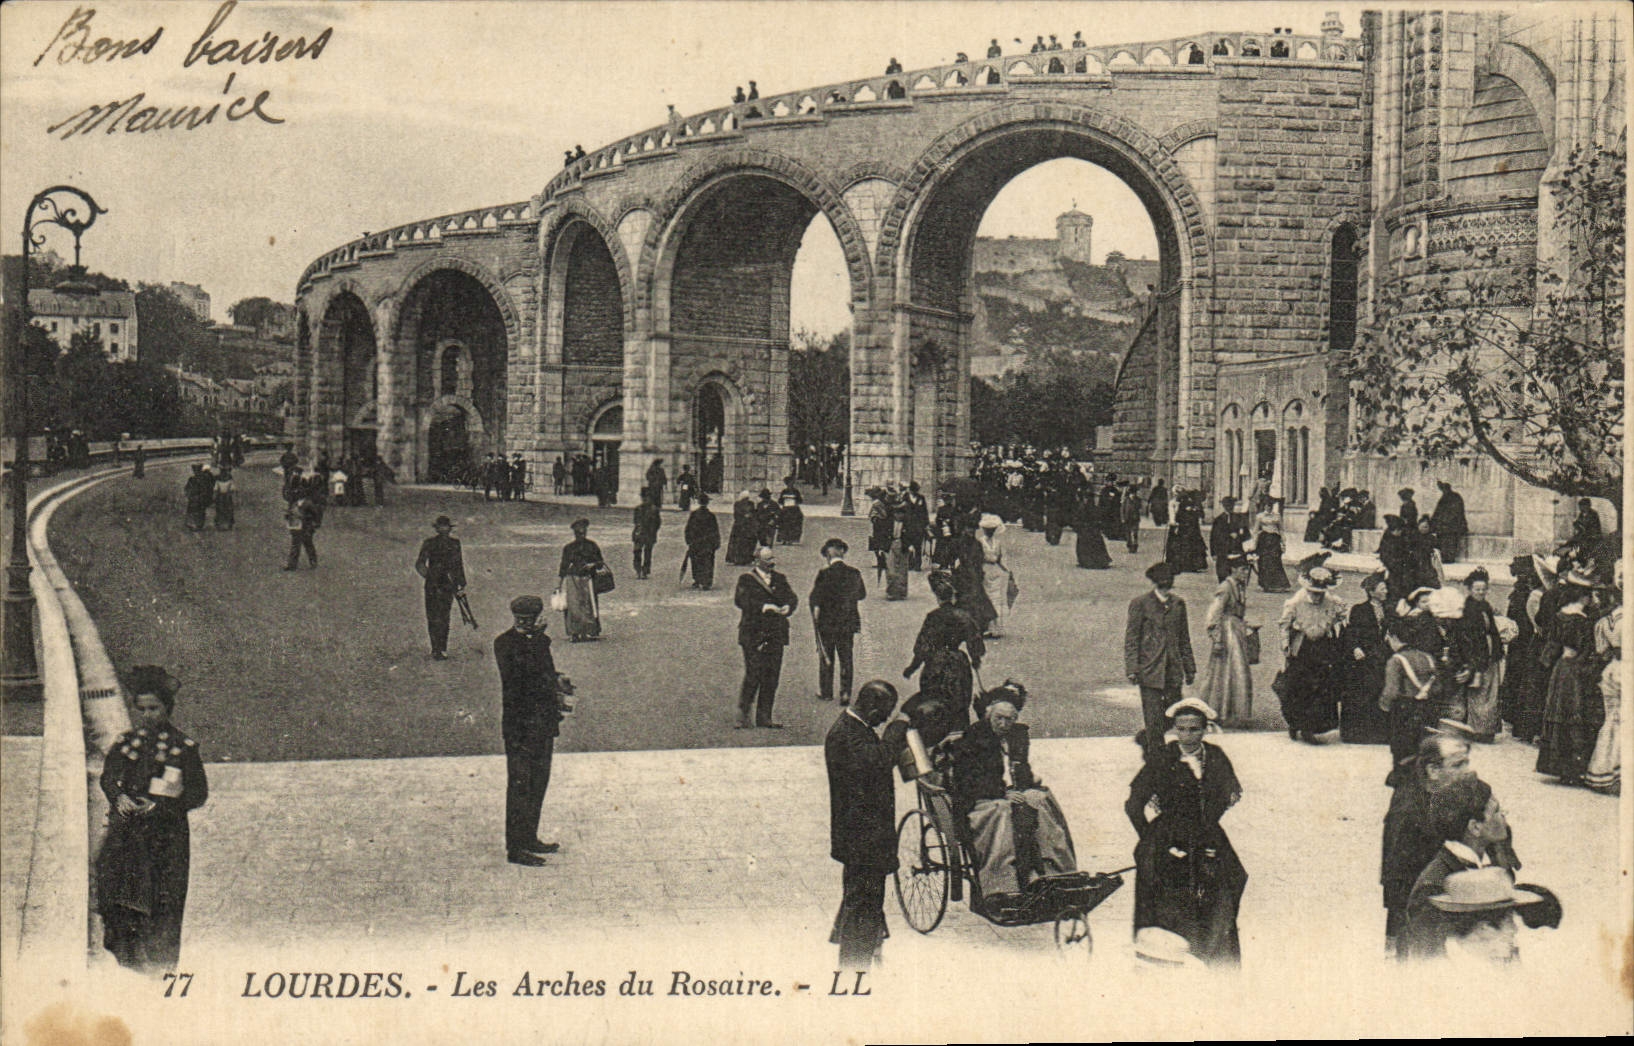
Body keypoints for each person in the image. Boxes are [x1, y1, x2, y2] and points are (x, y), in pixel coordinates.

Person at [95, 666, 207, 973]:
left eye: (154, 708)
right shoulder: (127, 744)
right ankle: (130, 961)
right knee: (123, 897)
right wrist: (119, 797)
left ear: (166, 708)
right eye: (142, 709)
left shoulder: (182, 748)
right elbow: (109, 777)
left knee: (164, 902)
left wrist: (158, 807)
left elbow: (197, 793)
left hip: (167, 839)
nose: (147, 715)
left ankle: (163, 968)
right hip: (128, 835)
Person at [1125, 697, 1246, 966]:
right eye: (1182, 729)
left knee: (1232, 877)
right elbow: (1133, 805)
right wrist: (1151, 839)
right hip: (1167, 835)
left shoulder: (1215, 757)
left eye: (1194, 729)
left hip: (1207, 834)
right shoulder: (1163, 759)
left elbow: (1227, 793)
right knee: (1172, 892)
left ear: (1205, 729)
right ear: (1175, 730)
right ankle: (1168, 957)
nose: (1187, 735)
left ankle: (1216, 958)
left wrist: (1208, 821)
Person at [949, 683, 1078, 911]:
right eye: (999, 718)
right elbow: (966, 778)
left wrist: (1028, 786)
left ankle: (1056, 874)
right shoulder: (974, 737)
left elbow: (1022, 769)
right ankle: (1001, 886)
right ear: (989, 713)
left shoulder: (1017, 737)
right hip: (981, 800)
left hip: (1012, 794)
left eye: (1010, 719)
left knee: (1040, 803)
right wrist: (1002, 792)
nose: (1004, 724)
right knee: (1003, 813)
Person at [1402, 776, 1526, 959]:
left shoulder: (1493, 860)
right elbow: (1427, 961)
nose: (1503, 816)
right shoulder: (1433, 887)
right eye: (1497, 811)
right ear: (1475, 828)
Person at [824, 680, 900, 970]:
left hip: (862, 837)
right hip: (863, 839)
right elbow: (879, 762)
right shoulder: (849, 736)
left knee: (863, 900)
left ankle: (863, 953)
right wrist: (896, 732)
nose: (885, 719)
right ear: (871, 707)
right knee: (863, 904)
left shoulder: (853, 729)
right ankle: (855, 967)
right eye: (885, 712)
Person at [494, 595, 569, 866]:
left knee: (539, 782)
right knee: (519, 786)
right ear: (514, 618)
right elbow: (521, 676)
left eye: (529, 620)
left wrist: (558, 681)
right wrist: (535, 640)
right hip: (520, 727)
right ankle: (515, 847)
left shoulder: (538, 643)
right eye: (520, 620)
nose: (525, 624)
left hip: (543, 724)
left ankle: (529, 837)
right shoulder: (505, 644)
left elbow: (543, 673)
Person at [902, 571, 985, 746]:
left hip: (935, 664)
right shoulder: (963, 615)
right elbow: (975, 641)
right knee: (960, 703)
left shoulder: (933, 617)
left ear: (938, 597)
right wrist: (975, 658)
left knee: (934, 701)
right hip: (957, 664)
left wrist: (912, 668)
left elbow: (922, 647)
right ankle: (961, 739)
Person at [1125, 563, 1197, 758]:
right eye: (1163, 580)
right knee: (1153, 715)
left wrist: (1190, 668)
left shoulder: (1178, 604)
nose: (1167, 583)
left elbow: (1184, 639)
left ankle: (1148, 736)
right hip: (1150, 669)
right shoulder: (1140, 604)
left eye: (1170, 579)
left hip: (1173, 669)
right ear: (1155, 582)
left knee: (1174, 712)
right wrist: (1132, 668)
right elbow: (1132, 638)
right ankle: (1156, 757)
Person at [1534, 586, 1599, 785]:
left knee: (1558, 711)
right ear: (1584, 597)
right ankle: (1571, 769)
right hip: (1575, 670)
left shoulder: (1559, 616)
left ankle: (1556, 766)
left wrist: (1547, 663)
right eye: (1590, 596)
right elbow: (1587, 649)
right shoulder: (1582, 621)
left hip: (1560, 668)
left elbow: (1551, 647)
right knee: (1574, 713)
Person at [1277, 565, 1348, 742]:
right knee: (1299, 687)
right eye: (1314, 593)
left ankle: (1312, 727)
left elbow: (1340, 616)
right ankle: (1296, 724)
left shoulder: (1332, 601)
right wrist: (1285, 645)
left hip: (1323, 648)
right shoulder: (1295, 602)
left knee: (1321, 688)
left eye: (1320, 593)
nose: (1317, 597)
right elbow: (1284, 625)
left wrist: (1334, 623)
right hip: (1302, 648)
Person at [735, 546, 798, 729]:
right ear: (757, 562)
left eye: (772, 559)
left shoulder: (780, 579)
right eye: (767, 560)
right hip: (752, 634)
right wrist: (764, 607)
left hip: (775, 633)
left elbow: (792, 598)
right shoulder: (746, 580)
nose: (772, 563)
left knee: (772, 676)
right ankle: (743, 714)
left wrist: (788, 607)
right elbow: (741, 601)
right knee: (753, 673)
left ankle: (764, 717)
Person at [1200, 554, 1255, 726]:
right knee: (1230, 670)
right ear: (1233, 570)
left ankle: (1232, 711)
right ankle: (1221, 711)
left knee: (1237, 671)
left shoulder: (1239, 586)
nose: (1245, 573)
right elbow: (1214, 613)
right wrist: (1216, 637)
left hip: (1237, 629)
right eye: (1242, 569)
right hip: (1227, 631)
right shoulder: (1225, 587)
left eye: (1247, 569)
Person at [1339, 572, 1393, 744]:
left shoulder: (1390, 610)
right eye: (1382, 588)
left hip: (1383, 656)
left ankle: (1379, 733)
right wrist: (1355, 648)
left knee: (1381, 692)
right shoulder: (1359, 610)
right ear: (1372, 592)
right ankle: (1356, 734)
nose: (1386, 591)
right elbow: (1351, 632)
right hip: (1364, 658)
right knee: (1362, 693)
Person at [810, 538, 866, 704]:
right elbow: (862, 594)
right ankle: (845, 693)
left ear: (828, 554)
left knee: (827, 656)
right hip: (847, 622)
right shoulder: (854, 573)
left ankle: (826, 691)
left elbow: (815, 598)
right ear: (843, 552)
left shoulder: (824, 574)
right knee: (846, 657)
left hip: (827, 623)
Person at [1457, 569, 1504, 742]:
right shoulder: (1467, 609)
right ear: (1469, 590)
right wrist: (1473, 659)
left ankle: (1487, 730)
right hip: (1478, 654)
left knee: (1490, 693)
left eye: (1483, 589)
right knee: (1479, 693)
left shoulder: (1485, 606)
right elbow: (1467, 637)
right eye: (1477, 589)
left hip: (1490, 652)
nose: (1481, 592)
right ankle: (1477, 730)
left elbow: (1492, 629)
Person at [415, 515, 467, 660]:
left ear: (449, 529)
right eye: (441, 527)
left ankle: (442, 648)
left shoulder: (455, 544)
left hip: (447, 584)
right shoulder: (429, 543)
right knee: (432, 616)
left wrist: (460, 584)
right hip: (432, 585)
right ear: (437, 529)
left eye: (446, 527)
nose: (444, 529)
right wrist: (430, 576)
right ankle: (435, 648)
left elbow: (458, 565)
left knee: (444, 616)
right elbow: (419, 564)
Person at [1583, 605, 1622, 794]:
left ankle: (1602, 770)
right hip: (1626, 671)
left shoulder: (1606, 620)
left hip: (1612, 670)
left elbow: (1602, 651)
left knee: (1611, 720)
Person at [944, 517, 996, 636]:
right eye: (969, 528)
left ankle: (980, 628)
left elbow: (979, 559)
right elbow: (949, 558)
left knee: (978, 600)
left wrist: (980, 573)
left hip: (975, 575)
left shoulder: (977, 544)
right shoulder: (957, 542)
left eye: (973, 529)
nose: (971, 531)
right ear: (963, 529)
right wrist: (954, 569)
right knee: (965, 601)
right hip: (962, 575)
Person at [557, 519, 606, 642]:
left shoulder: (592, 546)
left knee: (589, 605)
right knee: (573, 606)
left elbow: (600, 562)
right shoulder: (569, 548)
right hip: (573, 578)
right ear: (574, 533)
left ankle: (589, 631)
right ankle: (575, 632)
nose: (581, 536)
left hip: (589, 579)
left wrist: (592, 565)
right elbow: (563, 566)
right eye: (578, 533)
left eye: (583, 533)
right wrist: (560, 584)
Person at [976, 514, 1010, 638]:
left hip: (991, 571)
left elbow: (999, 558)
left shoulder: (990, 542)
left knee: (993, 598)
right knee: (990, 598)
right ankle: (991, 627)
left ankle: (993, 628)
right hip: (988, 570)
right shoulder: (985, 542)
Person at [683, 493, 720, 589]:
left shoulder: (694, 514)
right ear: (707, 503)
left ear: (699, 502)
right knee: (708, 562)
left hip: (696, 543)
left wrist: (688, 540)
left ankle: (697, 580)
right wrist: (716, 543)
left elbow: (688, 529)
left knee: (696, 562)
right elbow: (715, 531)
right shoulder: (711, 516)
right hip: (707, 543)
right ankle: (707, 581)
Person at [1252, 501, 1290, 591]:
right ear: (1264, 506)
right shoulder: (1260, 516)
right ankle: (1265, 584)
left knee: (1275, 560)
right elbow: (1255, 531)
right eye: (1267, 505)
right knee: (1264, 561)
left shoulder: (1277, 516)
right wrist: (1254, 544)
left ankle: (1278, 584)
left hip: (1274, 539)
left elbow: (1281, 529)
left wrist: (1283, 541)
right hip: (1264, 540)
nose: (1269, 507)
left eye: (1270, 505)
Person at [1208, 497, 1248, 582]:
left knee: (1238, 576)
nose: (1229, 507)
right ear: (1224, 506)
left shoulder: (1239, 518)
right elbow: (1214, 537)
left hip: (1237, 551)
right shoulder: (1219, 519)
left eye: (1231, 505)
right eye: (1227, 505)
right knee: (1223, 575)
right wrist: (1213, 553)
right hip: (1223, 551)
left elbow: (1246, 534)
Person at [1430, 480, 1468, 563]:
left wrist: (1438, 522)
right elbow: (1438, 512)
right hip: (1447, 526)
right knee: (1446, 542)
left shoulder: (1452, 497)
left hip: (1450, 526)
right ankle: (1446, 558)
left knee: (1449, 542)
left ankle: (1448, 558)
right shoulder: (1451, 497)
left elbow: (1456, 512)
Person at [1074, 487, 1112, 569]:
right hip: (1091, 530)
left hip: (1087, 529)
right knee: (1094, 545)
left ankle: (1088, 561)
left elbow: (1079, 517)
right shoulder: (1091, 507)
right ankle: (1092, 561)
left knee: (1086, 545)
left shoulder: (1084, 507)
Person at [282, 489, 320, 570]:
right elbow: (290, 513)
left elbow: (315, 514)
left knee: (308, 545)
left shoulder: (308, 503)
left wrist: (312, 522)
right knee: (295, 545)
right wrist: (288, 515)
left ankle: (313, 561)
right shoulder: (294, 504)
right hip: (296, 527)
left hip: (306, 527)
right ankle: (292, 565)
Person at [632, 487, 661, 580]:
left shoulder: (654, 510)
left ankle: (645, 571)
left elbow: (658, 522)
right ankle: (638, 570)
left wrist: (653, 531)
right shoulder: (638, 509)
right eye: (643, 497)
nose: (645, 500)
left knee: (648, 553)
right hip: (639, 533)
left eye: (647, 497)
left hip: (649, 533)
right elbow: (635, 521)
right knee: (637, 551)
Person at [726, 490, 758, 566]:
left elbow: (754, 513)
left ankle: (746, 559)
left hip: (748, 526)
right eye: (745, 498)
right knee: (738, 543)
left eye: (747, 498)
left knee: (747, 543)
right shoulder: (737, 504)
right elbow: (736, 514)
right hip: (739, 526)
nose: (746, 499)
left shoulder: (751, 504)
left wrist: (750, 517)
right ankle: (736, 559)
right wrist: (744, 516)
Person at [183, 464, 213, 532]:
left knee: (199, 511)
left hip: (199, 498)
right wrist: (189, 494)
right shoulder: (192, 479)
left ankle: (198, 524)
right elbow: (187, 488)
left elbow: (206, 489)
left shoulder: (203, 479)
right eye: (195, 471)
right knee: (193, 511)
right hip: (194, 498)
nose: (196, 472)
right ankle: (193, 523)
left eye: (197, 471)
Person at [777, 476, 804, 545]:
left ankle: (791, 539)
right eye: (788, 483)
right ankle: (784, 539)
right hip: (786, 509)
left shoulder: (796, 491)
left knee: (793, 524)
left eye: (791, 483)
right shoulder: (784, 491)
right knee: (784, 524)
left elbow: (800, 500)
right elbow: (780, 501)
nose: (789, 485)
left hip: (794, 509)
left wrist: (794, 503)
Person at [211, 465, 235, 530]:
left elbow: (215, 489)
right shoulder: (229, 479)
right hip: (227, 496)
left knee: (220, 510)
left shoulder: (218, 479)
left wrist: (214, 497)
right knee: (227, 510)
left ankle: (220, 524)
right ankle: (228, 524)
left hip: (220, 497)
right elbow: (232, 489)